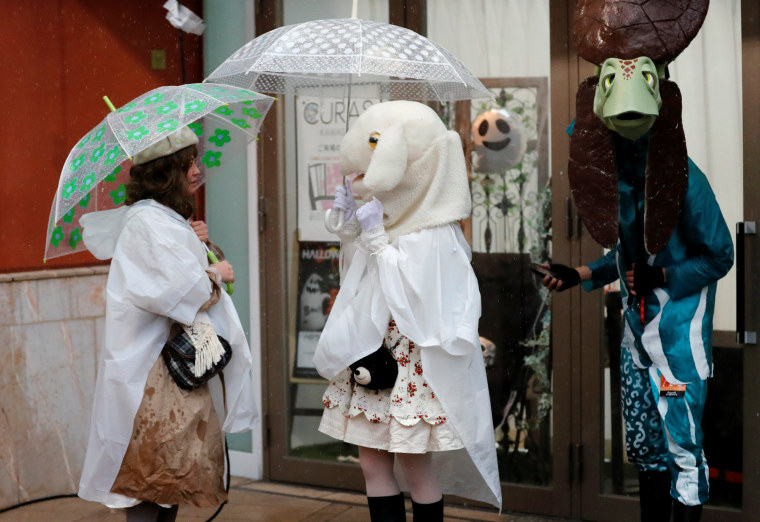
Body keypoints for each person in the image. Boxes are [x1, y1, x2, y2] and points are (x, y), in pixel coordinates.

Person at [313, 101, 501, 522]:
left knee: (415, 465)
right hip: (375, 352)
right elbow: (359, 276)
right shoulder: (391, 217)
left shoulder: (437, 229)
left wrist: (377, 237)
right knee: (371, 462)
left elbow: (420, 299)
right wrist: (349, 224)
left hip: (413, 361)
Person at [542, 133, 733, 522]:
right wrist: (578, 274)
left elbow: (720, 256)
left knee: (683, 452)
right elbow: (628, 255)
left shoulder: (685, 179)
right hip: (637, 343)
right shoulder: (626, 182)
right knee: (645, 451)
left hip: (678, 346)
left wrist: (661, 275)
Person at [77, 127, 256, 521]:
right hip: (153, 377)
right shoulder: (147, 223)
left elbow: (177, 275)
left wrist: (202, 246)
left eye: (195, 161)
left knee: (167, 480)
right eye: (187, 164)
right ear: (165, 173)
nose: (197, 171)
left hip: (168, 371)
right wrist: (216, 272)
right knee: (148, 480)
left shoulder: (163, 219)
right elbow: (176, 293)